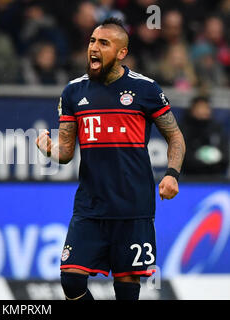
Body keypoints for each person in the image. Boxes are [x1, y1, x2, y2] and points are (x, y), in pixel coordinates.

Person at [36, 18, 186, 300]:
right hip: (90, 207)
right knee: (71, 280)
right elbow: (66, 152)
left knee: (126, 292)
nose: (94, 47)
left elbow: (175, 137)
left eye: (103, 43)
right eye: (92, 41)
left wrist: (172, 174)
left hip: (133, 207)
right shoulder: (73, 92)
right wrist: (49, 149)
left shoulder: (146, 90)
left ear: (121, 53)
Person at [180, 96, 229, 177]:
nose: (204, 111)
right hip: (190, 178)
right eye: (200, 107)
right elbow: (183, 157)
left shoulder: (217, 128)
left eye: (206, 107)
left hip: (216, 177)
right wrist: (200, 159)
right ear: (192, 109)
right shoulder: (183, 129)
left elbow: (225, 156)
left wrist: (214, 159)